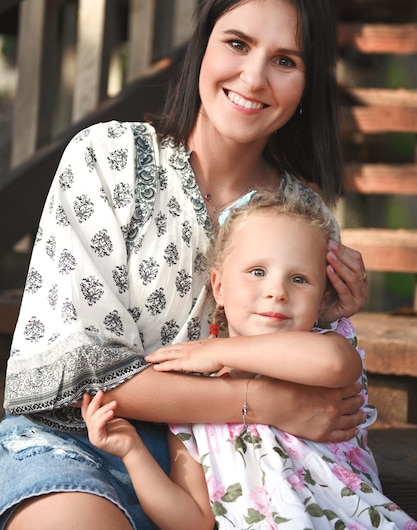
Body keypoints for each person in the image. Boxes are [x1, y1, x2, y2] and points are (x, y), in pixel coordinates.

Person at [0, 0, 369, 530]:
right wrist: (262, 401)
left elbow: (328, 402)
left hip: (234, 477)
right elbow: (71, 373)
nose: (252, 78)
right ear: (203, 47)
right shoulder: (110, 156)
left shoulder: (307, 216)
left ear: (307, 83)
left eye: (285, 61)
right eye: (238, 44)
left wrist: (329, 318)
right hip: (80, 445)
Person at [83, 190, 417, 529]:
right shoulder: (197, 399)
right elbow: (190, 520)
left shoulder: (324, 347)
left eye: (299, 279)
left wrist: (215, 350)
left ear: (321, 300)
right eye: (257, 271)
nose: (278, 291)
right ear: (219, 286)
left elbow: (334, 363)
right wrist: (132, 452)